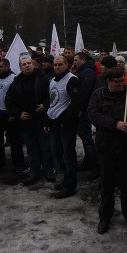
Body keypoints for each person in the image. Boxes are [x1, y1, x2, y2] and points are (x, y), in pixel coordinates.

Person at [88, 66, 127, 234]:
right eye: (117, 81)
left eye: (123, 80)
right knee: (106, 184)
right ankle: (105, 217)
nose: (121, 83)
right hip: (106, 147)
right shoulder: (98, 95)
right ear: (108, 82)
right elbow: (93, 115)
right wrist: (114, 123)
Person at [6, 57, 55, 186]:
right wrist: (18, 113)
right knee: (31, 148)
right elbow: (9, 101)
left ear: (33, 65)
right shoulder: (17, 81)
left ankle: (49, 171)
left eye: (29, 63)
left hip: (41, 119)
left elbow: (52, 96)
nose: (27, 66)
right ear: (20, 67)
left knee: (45, 147)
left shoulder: (44, 79)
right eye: (24, 64)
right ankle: (34, 172)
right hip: (26, 121)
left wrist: (45, 105)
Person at [45, 55, 81, 199]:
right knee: (57, 154)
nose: (57, 67)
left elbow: (76, 104)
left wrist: (65, 122)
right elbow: (51, 102)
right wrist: (46, 120)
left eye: (60, 64)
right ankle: (66, 180)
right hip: (53, 124)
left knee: (68, 156)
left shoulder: (72, 80)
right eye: (55, 65)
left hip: (66, 125)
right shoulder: (52, 80)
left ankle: (70, 186)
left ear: (66, 64)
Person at [73, 51, 100, 179]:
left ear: (83, 60)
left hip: (85, 110)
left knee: (87, 138)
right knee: (84, 138)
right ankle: (88, 161)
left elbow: (85, 93)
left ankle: (95, 166)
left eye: (76, 60)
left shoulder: (87, 72)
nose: (74, 62)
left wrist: (80, 108)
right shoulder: (83, 71)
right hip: (84, 109)